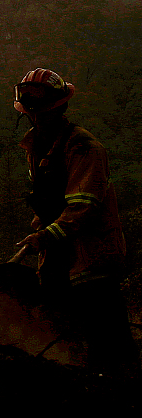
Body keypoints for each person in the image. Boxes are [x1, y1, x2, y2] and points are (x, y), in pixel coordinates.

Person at [13, 68, 139, 377]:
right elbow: (52, 195)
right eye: (30, 108)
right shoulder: (38, 145)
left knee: (108, 340)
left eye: (41, 107)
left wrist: (45, 236)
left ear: (59, 106)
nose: (35, 114)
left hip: (92, 256)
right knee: (71, 334)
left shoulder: (84, 147)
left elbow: (83, 207)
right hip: (62, 254)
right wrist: (39, 227)